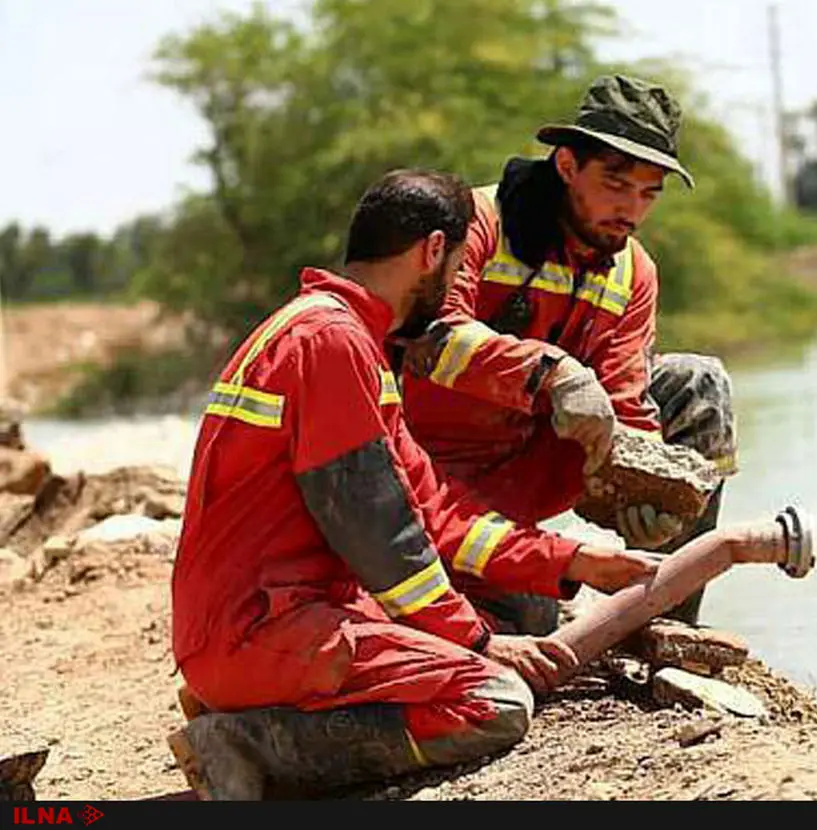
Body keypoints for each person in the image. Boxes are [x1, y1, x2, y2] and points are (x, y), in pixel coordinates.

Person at [167, 169, 659, 800]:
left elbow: (435, 510)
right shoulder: (330, 343)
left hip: (269, 622)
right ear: (432, 252)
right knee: (493, 698)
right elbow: (381, 533)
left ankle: (243, 706)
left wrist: (574, 560)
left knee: (486, 634)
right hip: (261, 628)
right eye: (457, 269)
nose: (457, 286)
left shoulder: (345, 339)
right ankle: (244, 744)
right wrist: (479, 642)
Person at [396, 75, 739, 632]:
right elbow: (429, 337)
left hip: (532, 464)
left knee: (698, 384)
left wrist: (641, 489)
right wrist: (551, 374)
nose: (631, 209)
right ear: (565, 165)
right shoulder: (476, 219)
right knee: (527, 619)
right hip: (427, 472)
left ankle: (667, 624)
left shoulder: (634, 270)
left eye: (650, 193)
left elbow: (627, 405)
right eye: (616, 183)